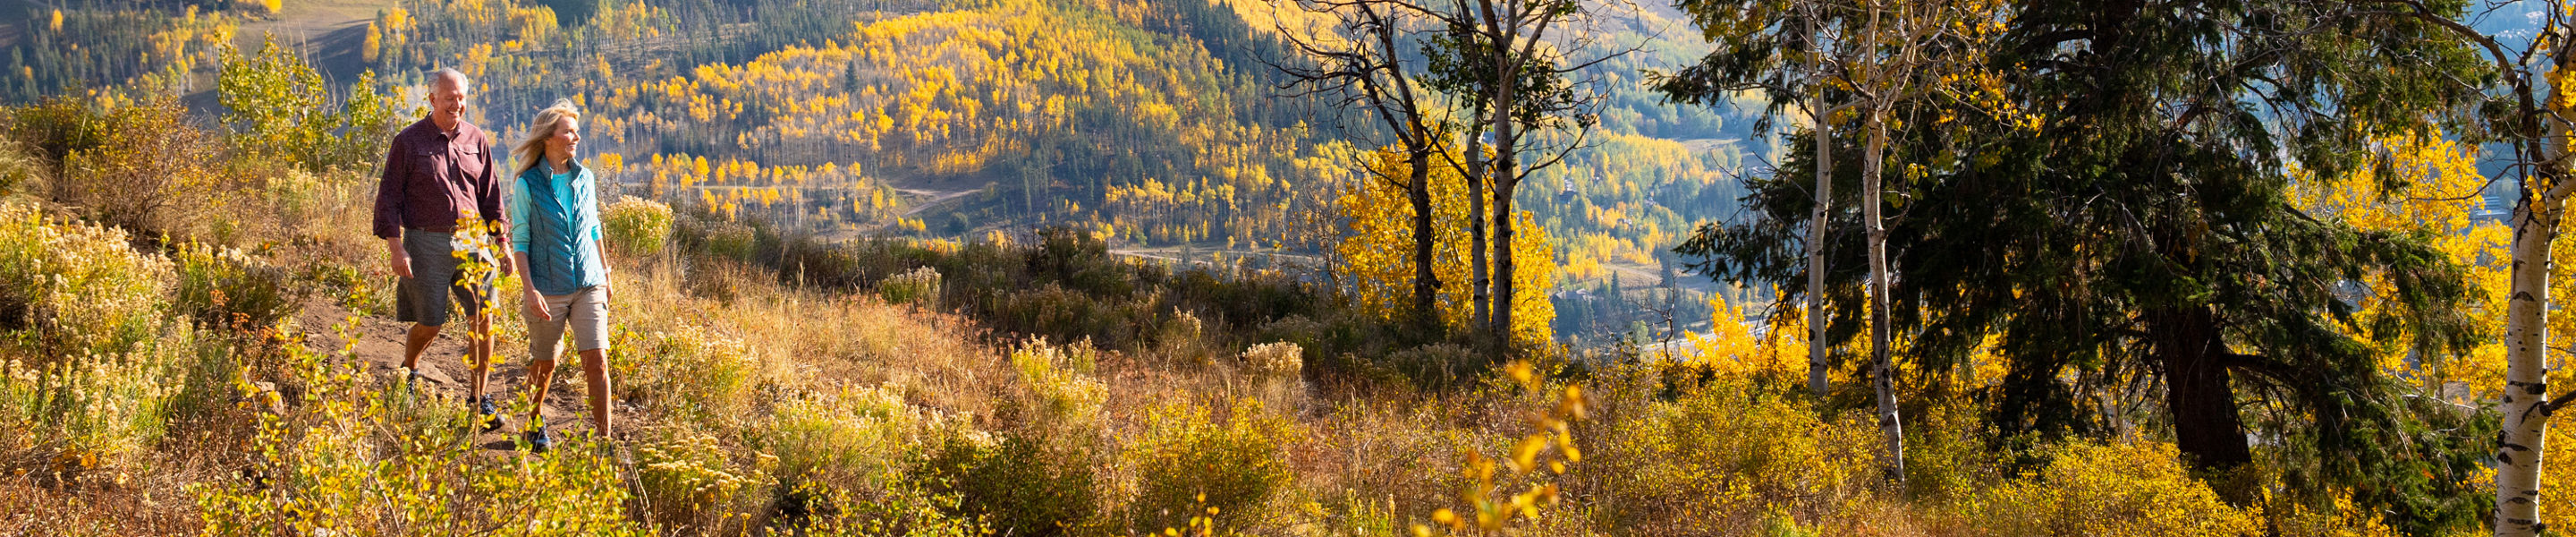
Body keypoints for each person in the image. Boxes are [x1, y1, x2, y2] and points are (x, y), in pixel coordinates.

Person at [374, 67, 511, 432]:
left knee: (483, 317)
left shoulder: (476, 139)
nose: (457, 104)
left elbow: (491, 197)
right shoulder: (408, 142)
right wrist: (396, 246)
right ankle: (411, 369)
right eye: (450, 98)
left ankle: (479, 398)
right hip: (425, 240)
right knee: (430, 323)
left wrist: (502, 243)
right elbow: (388, 196)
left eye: (462, 97)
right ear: (432, 99)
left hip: (472, 240)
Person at [508, 99, 614, 454]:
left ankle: (605, 444)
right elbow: (520, 240)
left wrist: (606, 273)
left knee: (597, 360)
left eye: (576, 131)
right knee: (546, 361)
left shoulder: (586, 179)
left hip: (589, 282)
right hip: (547, 286)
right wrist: (529, 289)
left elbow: (594, 227)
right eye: (569, 131)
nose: (576, 136)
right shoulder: (527, 185)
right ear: (549, 136)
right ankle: (534, 424)